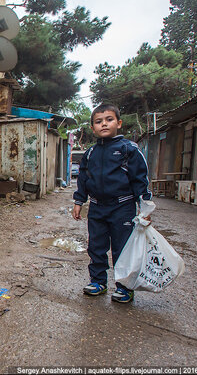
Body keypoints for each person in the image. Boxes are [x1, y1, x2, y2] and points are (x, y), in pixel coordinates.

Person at [72, 103, 152, 303]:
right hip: (97, 207)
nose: (104, 124)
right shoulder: (90, 153)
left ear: (119, 123)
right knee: (96, 247)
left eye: (109, 120)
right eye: (98, 122)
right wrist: (79, 201)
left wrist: (145, 207)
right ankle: (98, 282)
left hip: (123, 207)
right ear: (93, 128)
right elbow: (83, 179)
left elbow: (140, 179)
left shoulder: (128, 149)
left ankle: (124, 287)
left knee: (122, 248)